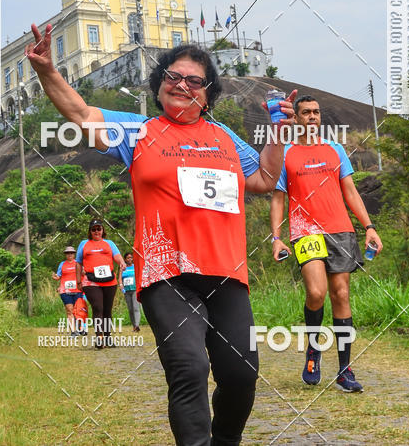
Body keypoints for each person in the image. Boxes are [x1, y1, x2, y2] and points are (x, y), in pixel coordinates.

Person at [26, 24, 292, 446]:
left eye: (193, 81)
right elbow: (81, 114)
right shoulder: (139, 131)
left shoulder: (224, 138)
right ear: (159, 84)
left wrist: (278, 134)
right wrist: (46, 71)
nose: (181, 85)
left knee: (241, 375)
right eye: (172, 76)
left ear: (207, 94)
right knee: (187, 367)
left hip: (226, 275)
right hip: (166, 275)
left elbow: (263, 177)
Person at [270, 94, 382, 393]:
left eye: (316, 112)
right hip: (306, 232)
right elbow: (278, 198)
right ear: (296, 118)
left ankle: (345, 370)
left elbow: (351, 192)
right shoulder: (287, 155)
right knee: (317, 293)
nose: (312, 117)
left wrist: (369, 227)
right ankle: (312, 351)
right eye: (306, 112)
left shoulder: (335, 150)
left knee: (341, 294)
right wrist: (276, 237)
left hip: (340, 230)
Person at [76, 220, 125, 347]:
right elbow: (78, 263)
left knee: (107, 310)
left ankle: (108, 337)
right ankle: (99, 338)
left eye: (99, 229)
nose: (97, 231)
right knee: (98, 307)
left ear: (103, 230)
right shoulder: (84, 244)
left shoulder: (109, 243)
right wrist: (78, 281)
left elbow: (117, 256)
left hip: (109, 280)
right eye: (94, 229)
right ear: (90, 231)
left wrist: (122, 262)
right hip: (91, 280)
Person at [52, 245, 82, 335]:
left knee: (78, 310)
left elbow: (83, 275)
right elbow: (58, 276)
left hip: (77, 290)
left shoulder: (78, 263)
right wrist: (55, 277)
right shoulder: (62, 264)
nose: (70, 255)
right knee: (69, 310)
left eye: (71, 253)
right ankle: (73, 331)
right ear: (65, 254)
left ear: (74, 254)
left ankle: (80, 328)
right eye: (68, 253)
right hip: (65, 290)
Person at [121, 251, 140, 331]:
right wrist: (121, 286)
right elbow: (120, 278)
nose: (130, 259)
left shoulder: (135, 267)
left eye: (131, 258)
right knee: (130, 309)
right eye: (128, 258)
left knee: (136, 308)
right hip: (126, 290)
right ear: (125, 259)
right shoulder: (123, 267)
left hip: (134, 289)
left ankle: (137, 325)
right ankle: (134, 326)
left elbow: (139, 276)